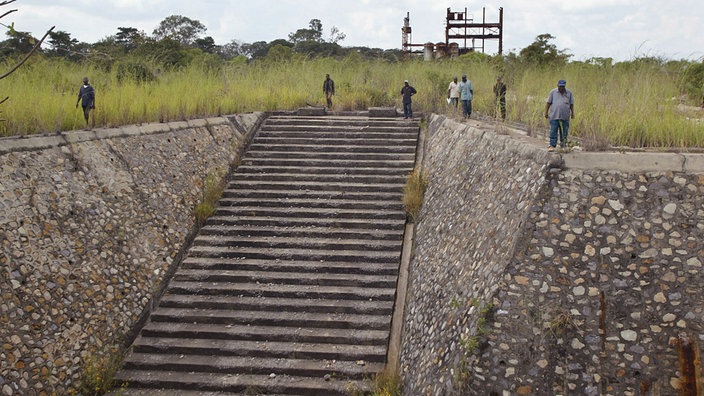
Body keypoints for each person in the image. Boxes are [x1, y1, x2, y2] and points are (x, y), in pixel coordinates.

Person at [544, 79, 574, 151]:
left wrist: (573, 113)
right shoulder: (553, 92)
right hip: (554, 115)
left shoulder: (569, 93)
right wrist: (546, 112)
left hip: (565, 116)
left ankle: (563, 145)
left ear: (564, 86)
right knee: (553, 130)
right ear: (557, 85)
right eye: (560, 86)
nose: (561, 88)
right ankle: (552, 145)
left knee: (564, 131)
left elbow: (571, 104)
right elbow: (548, 103)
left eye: (563, 87)